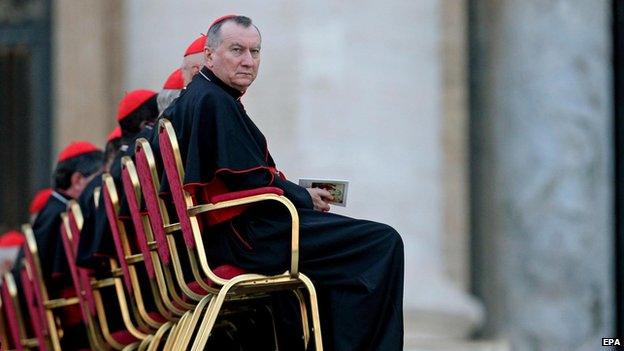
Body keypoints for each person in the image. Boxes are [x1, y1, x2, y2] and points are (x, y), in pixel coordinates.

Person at [165, 15, 404, 351]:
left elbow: (243, 171)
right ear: (209, 56)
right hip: (250, 236)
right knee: (382, 243)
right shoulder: (212, 100)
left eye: (255, 52)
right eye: (237, 50)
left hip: (238, 231)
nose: (248, 61)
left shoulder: (204, 96)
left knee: (347, 256)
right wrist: (303, 197)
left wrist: (298, 194)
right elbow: (249, 178)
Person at [13, 141, 104, 349]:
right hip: (74, 326)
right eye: (96, 180)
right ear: (78, 180)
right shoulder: (60, 215)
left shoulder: (55, 209)